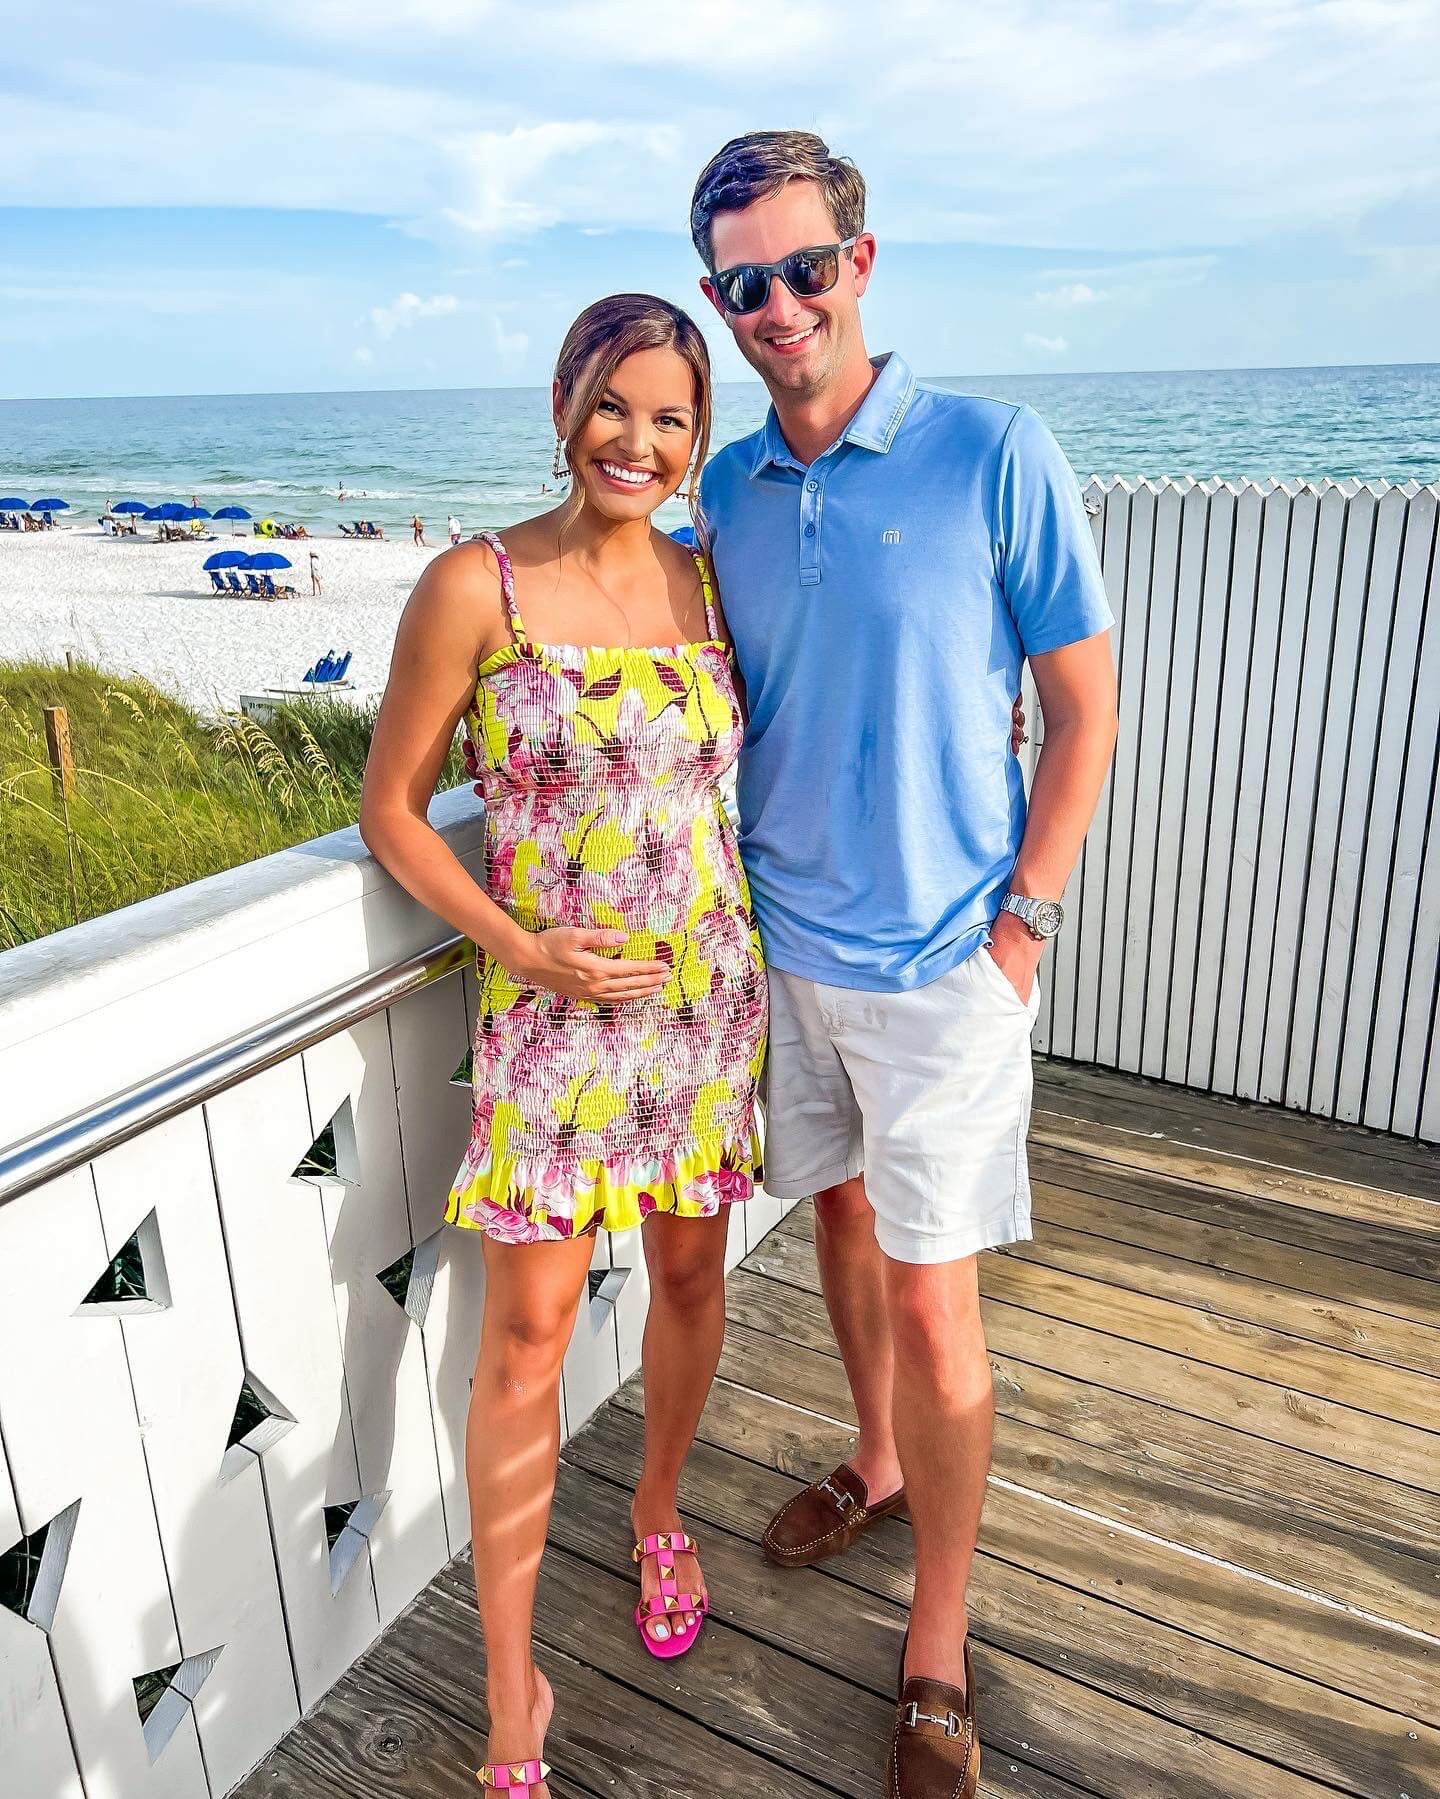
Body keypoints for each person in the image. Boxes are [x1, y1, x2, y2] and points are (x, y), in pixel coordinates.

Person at [690, 131, 1118, 1798]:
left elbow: (1080, 709)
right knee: (845, 1228)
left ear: (862, 262)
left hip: (950, 959)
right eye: (745, 283)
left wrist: (1027, 925)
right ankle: (870, 1470)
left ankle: (937, 1648)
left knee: (945, 1310)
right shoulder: (725, 486)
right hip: (788, 953)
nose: (778, 305)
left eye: (805, 268)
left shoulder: (991, 451)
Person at [359, 294, 768, 1799]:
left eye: (671, 419)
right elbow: (392, 805)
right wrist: (517, 943)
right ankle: (510, 1686)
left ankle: (660, 1509)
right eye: (614, 407)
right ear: (564, 403)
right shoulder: (475, 586)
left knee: (685, 1276)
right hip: (548, 1023)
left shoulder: (714, 582)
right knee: (525, 1344)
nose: (639, 443)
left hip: (704, 1009)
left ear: (696, 437)